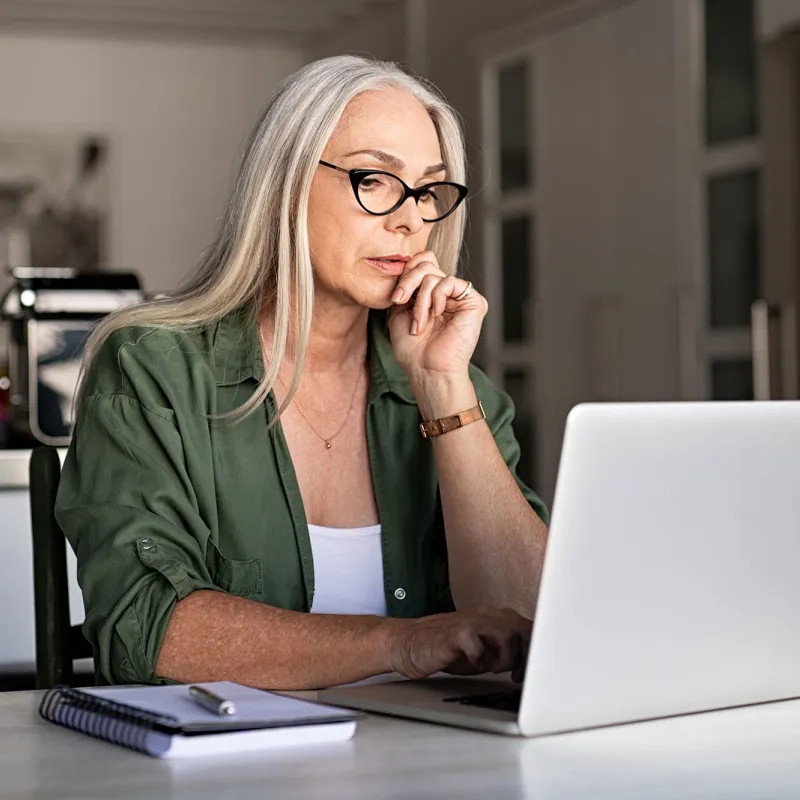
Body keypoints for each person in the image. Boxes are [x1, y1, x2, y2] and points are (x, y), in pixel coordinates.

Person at [56, 55, 550, 690]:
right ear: (285, 183)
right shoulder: (153, 369)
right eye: (374, 179)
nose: (412, 219)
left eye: (428, 190)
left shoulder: (458, 391)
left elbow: (537, 625)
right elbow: (145, 631)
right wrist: (402, 643)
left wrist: (442, 389)